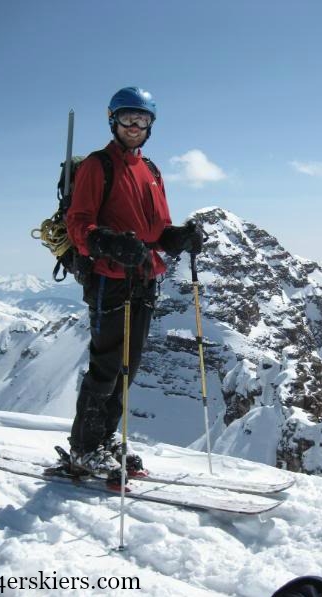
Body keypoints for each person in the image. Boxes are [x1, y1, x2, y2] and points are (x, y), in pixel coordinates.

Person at [66, 86, 203, 481]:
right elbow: (80, 223)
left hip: (144, 277)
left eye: (141, 120)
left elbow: (155, 229)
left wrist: (176, 238)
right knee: (106, 365)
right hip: (110, 277)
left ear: (150, 125)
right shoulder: (98, 166)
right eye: (127, 118)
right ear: (113, 121)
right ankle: (83, 449)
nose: (134, 126)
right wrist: (106, 241)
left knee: (129, 366)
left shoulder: (152, 171)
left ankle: (104, 438)